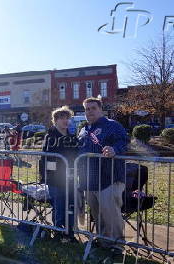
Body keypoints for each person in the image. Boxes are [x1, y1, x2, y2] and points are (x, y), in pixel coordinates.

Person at [77, 97, 129, 255]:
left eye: (93, 108)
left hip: (110, 178)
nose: (89, 111)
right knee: (97, 214)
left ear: (100, 109)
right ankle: (104, 242)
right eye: (87, 109)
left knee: (111, 214)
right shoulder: (84, 130)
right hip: (90, 180)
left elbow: (125, 141)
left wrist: (115, 149)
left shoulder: (112, 125)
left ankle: (118, 246)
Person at [39, 106, 79, 242]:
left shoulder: (73, 136)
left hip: (71, 177)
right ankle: (58, 232)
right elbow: (44, 158)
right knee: (59, 205)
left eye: (67, 118)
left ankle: (70, 233)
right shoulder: (50, 136)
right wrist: (45, 176)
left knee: (71, 205)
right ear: (55, 121)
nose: (65, 121)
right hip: (55, 178)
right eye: (62, 118)